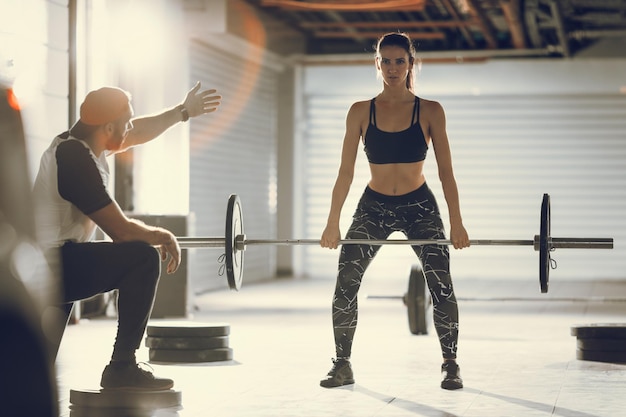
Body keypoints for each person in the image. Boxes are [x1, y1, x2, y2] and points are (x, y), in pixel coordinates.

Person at [33, 82, 221, 390]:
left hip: (55, 265)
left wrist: (183, 111)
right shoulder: (74, 159)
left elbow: (135, 133)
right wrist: (162, 235)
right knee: (142, 258)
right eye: (125, 121)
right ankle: (122, 366)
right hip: (54, 266)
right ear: (108, 127)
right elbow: (119, 231)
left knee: (32, 374)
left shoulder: (80, 144)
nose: (130, 127)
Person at [319, 32, 470, 391]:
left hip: (419, 207)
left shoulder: (430, 110)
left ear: (410, 64)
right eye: (385, 61)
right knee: (345, 285)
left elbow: (447, 171)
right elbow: (345, 172)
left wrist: (457, 222)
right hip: (374, 206)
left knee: (441, 286)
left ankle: (450, 364)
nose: (391, 68)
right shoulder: (360, 111)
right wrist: (332, 221)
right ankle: (342, 365)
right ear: (377, 64)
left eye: (399, 61)